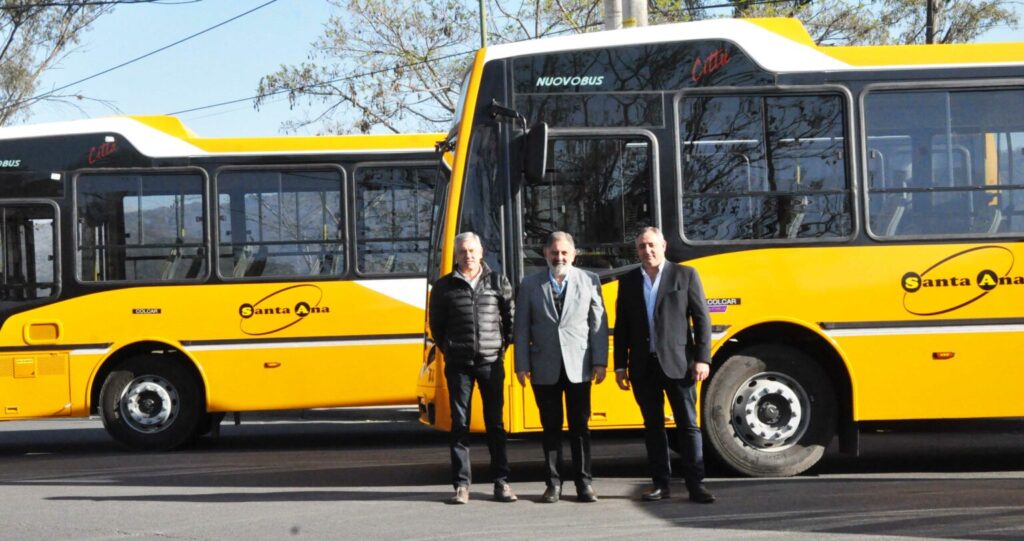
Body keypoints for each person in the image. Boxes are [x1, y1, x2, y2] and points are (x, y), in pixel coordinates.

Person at [613, 226, 716, 504]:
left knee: (688, 425)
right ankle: (661, 484)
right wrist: (620, 365)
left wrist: (703, 358)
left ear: (663, 245)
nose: (647, 251)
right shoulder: (629, 281)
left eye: (651, 245)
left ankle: (696, 484)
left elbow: (702, 318)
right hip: (643, 367)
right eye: (642, 247)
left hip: (680, 364)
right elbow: (622, 326)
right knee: (653, 427)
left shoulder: (686, 275)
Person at [514, 231, 608, 503]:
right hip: (544, 366)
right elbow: (521, 329)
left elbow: (598, 325)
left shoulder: (589, 280)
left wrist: (600, 361)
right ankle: (553, 484)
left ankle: (584, 484)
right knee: (550, 428)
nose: (559, 257)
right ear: (545, 254)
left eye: (565, 252)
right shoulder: (530, 284)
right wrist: (521, 364)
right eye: (554, 252)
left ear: (574, 254)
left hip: (579, 366)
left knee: (580, 427)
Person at [428, 232, 516, 505]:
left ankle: (501, 483)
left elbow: (510, 320)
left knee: (495, 424)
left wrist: (499, 350)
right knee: (460, 424)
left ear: (482, 252)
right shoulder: (444, 287)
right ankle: (462, 485)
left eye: (472, 250)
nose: (468, 255)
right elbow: (437, 327)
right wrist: (452, 350)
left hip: (491, 363)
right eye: (463, 251)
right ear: (456, 255)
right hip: (458, 366)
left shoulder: (498, 281)